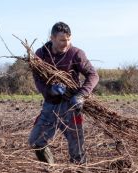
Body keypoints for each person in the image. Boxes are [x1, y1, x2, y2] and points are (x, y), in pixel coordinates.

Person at [28, 22, 99, 164]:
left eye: (68, 39)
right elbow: (37, 79)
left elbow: (93, 75)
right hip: (51, 106)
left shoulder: (76, 54)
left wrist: (81, 95)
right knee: (36, 141)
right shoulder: (41, 55)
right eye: (62, 40)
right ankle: (50, 171)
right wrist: (50, 91)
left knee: (77, 149)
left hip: (71, 106)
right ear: (52, 38)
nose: (66, 43)